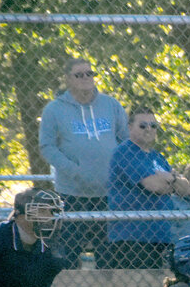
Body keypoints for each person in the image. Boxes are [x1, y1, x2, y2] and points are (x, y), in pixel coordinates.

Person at [39, 57, 129, 269]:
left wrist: (121, 173)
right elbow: (47, 147)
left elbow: (126, 141)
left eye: (90, 73)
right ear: (68, 79)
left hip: (108, 193)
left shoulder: (111, 105)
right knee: (68, 253)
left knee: (109, 254)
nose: (86, 78)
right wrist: (73, 170)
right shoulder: (54, 110)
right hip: (72, 194)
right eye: (79, 75)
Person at [107, 106, 190, 269]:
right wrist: (172, 180)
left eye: (153, 126)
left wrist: (170, 178)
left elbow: (185, 188)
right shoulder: (125, 152)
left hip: (161, 236)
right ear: (130, 127)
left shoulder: (157, 157)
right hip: (133, 238)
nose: (149, 129)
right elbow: (153, 185)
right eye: (143, 125)